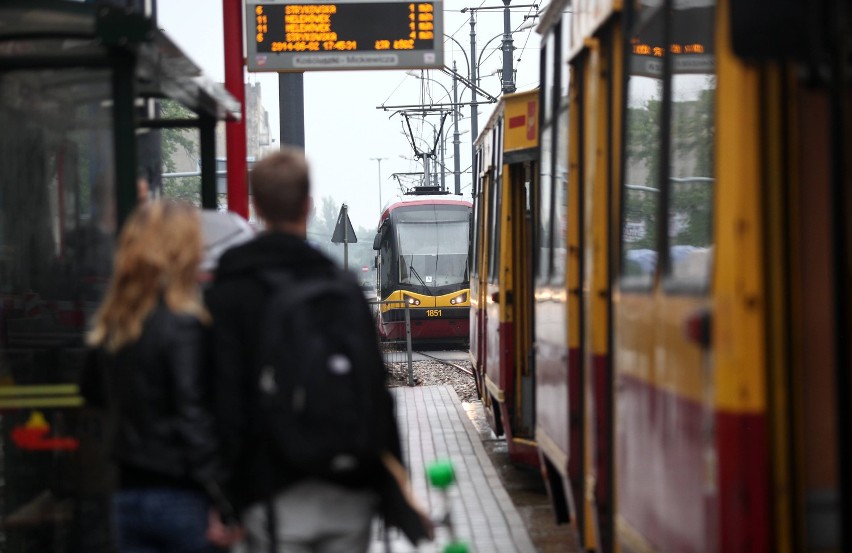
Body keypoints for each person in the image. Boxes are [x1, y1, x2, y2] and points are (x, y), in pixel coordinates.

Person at [205, 148, 430, 553]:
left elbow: (225, 397)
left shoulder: (231, 289)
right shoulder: (341, 286)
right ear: (308, 206)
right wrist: (396, 488)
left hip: (270, 491)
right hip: (349, 489)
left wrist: (224, 494)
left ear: (256, 206)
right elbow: (375, 393)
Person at [81, 200, 240, 553]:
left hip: (126, 495)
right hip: (182, 496)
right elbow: (193, 416)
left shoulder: (114, 324)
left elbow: (91, 392)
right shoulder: (185, 325)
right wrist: (226, 501)